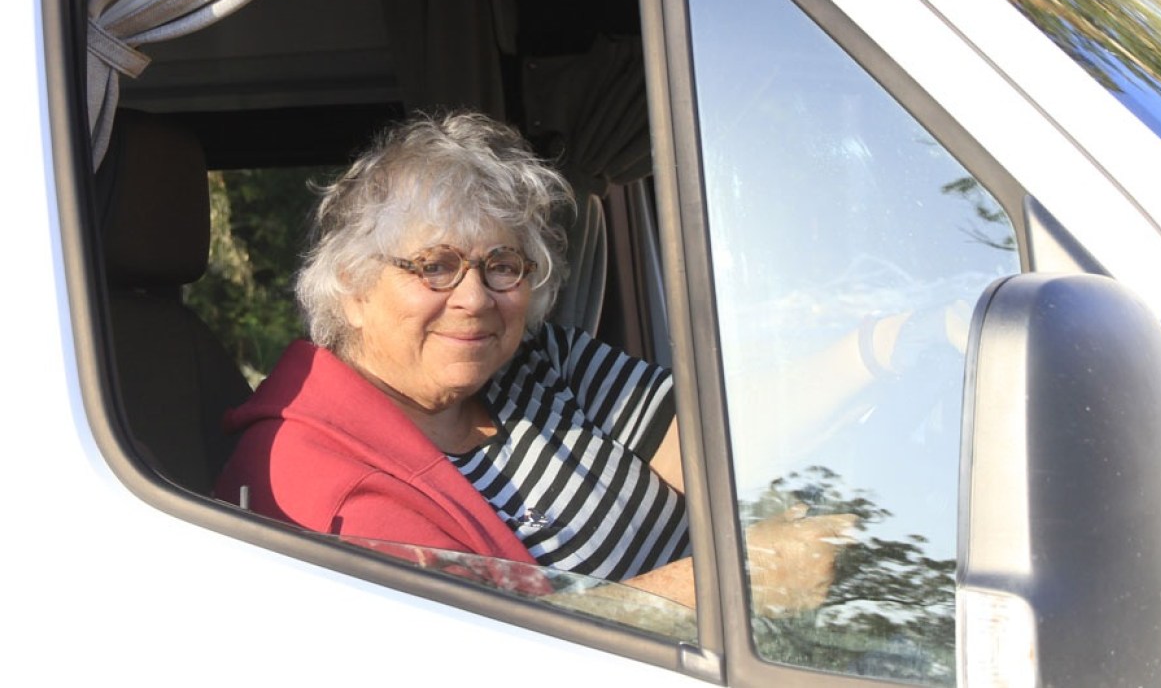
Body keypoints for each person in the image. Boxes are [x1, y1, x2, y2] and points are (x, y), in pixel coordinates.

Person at [215, 111, 852, 610]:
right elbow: (485, 656)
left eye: (501, 265)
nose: (474, 297)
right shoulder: (306, 479)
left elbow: (733, 448)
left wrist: (880, 352)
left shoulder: (543, 362)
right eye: (434, 266)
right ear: (352, 289)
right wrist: (733, 585)